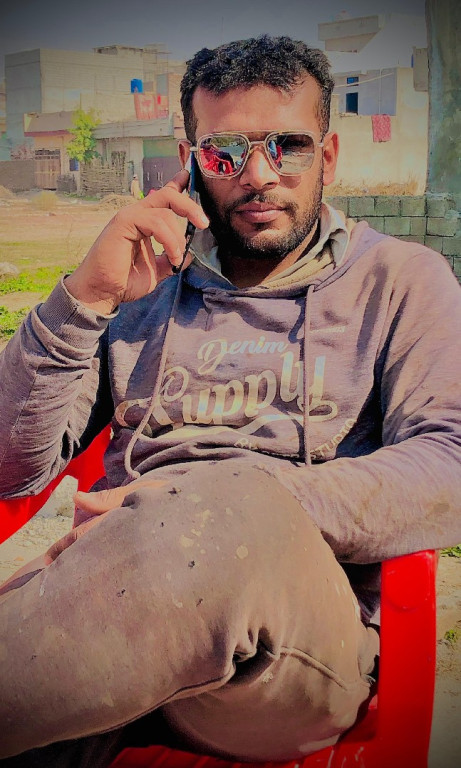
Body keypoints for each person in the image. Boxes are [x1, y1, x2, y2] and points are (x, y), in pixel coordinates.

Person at [0, 33, 460, 768]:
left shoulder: (401, 281)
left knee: (226, 515)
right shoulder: (143, 287)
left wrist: (199, 503)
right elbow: (11, 470)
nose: (258, 174)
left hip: (289, 656)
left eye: (288, 146)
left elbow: (449, 461)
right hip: (114, 616)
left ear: (328, 156)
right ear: (189, 160)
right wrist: (82, 300)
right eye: (225, 153)